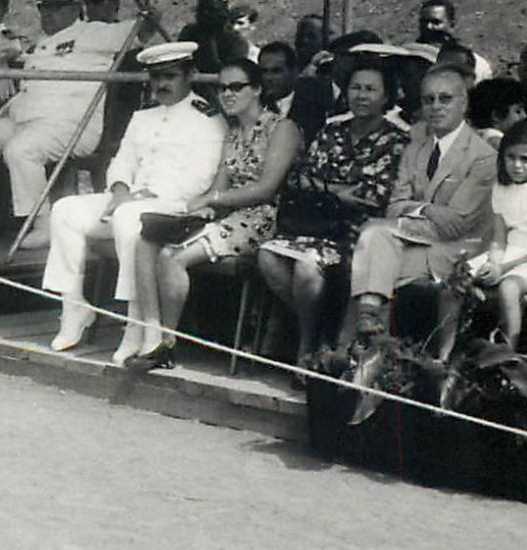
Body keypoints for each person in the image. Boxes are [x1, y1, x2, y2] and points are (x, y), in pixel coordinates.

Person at [42, 41, 226, 355]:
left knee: (130, 218)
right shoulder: (143, 117)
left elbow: (201, 177)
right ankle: (74, 306)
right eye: (156, 78)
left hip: (175, 206)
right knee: (65, 210)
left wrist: (142, 197)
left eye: (170, 76)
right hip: (133, 201)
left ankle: (136, 319)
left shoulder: (208, 119)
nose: (162, 84)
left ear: (190, 75)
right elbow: (122, 160)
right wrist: (121, 188)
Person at [125, 57, 302, 370]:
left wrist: (215, 197)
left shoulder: (282, 128)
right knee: (147, 239)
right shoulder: (233, 130)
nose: (227, 95)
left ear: (258, 89)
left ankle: (167, 344)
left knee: (172, 256)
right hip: (228, 215)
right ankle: (150, 332)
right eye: (222, 88)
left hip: (262, 219)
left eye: (236, 87)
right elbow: (222, 176)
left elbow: (266, 189)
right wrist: (207, 205)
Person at [259, 59, 408, 368]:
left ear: (385, 97)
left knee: (306, 270)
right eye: (356, 88)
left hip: (358, 233)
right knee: (267, 256)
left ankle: (307, 347)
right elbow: (296, 178)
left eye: (371, 89)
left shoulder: (396, 141)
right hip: (316, 226)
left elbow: (374, 197)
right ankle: (319, 333)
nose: (362, 96)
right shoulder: (331, 130)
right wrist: (339, 191)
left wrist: (322, 187)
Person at [342, 64, 497, 344]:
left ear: (463, 103)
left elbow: (455, 226)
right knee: (374, 252)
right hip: (416, 244)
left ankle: (351, 356)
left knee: (373, 249)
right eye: (428, 100)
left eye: (445, 99)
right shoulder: (417, 147)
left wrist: (408, 213)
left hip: (457, 252)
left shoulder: (482, 157)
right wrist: (428, 209)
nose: (436, 106)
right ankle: (364, 352)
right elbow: (394, 205)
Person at [0, 0, 135, 248]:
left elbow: (135, 33)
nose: (47, 14)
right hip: (27, 121)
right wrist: (11, 55)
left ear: (75, 9)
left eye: (55, 8)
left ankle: (43, 224)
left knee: (21, 150)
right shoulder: (43, 43)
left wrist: (150, 18)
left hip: (70, 126)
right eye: (43, 8)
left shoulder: (92, 33)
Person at [435, 119, 527, 358]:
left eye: (525, 159)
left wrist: (504, 268)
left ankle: (508, 354)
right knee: (452, 284)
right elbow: (499, 238)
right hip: (513, 252)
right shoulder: (501, 188)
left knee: (509, 287)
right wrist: (493, 263)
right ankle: (443, 354)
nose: (516, 166)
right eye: (510, 158)